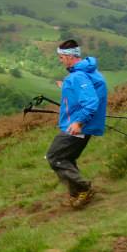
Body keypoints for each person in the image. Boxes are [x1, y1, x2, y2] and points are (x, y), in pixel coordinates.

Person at [45, 39, 107, 207]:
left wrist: (79, 122)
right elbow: (89, 89)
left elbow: (91, 101)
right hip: (85, 124)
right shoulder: (87, 71)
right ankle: (77, 194)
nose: (60, 60)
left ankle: (84, 188)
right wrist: (66, 85)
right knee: (67, 158)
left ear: (68, 57)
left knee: (54, 157)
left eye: (61, 57)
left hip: (77, 125)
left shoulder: (78, 76)